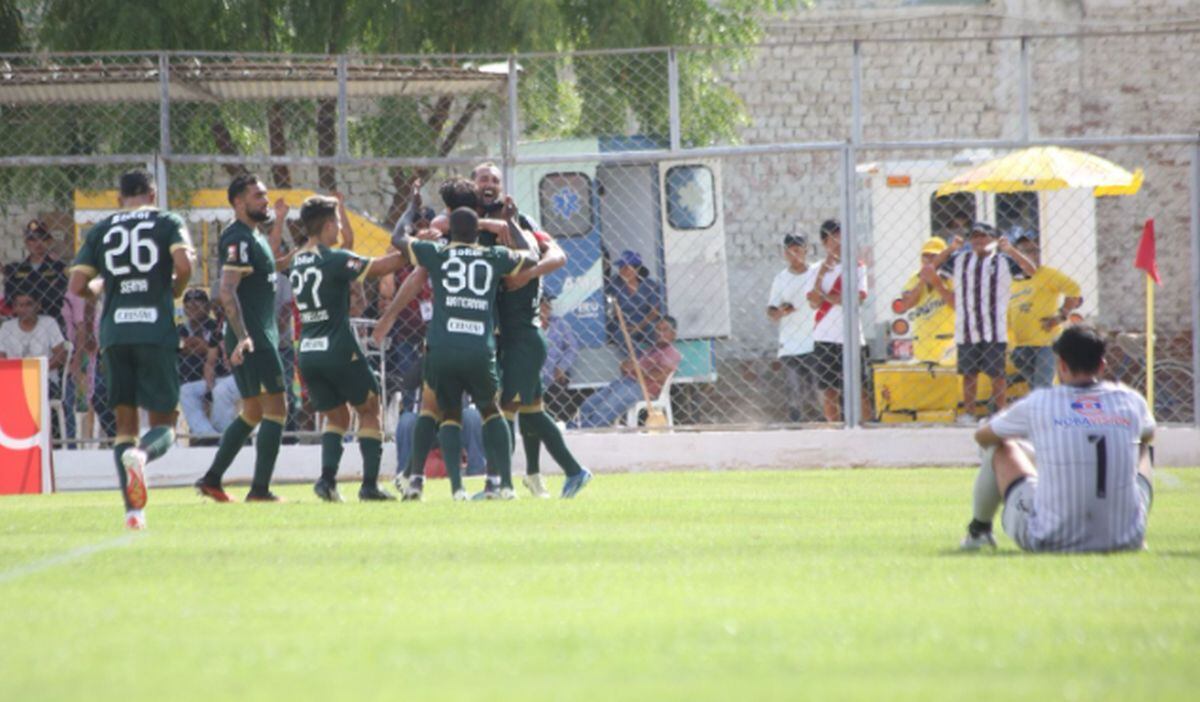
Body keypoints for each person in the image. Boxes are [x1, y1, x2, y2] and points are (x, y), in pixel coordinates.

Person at [66, 168, 194, 530]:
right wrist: (175, 287)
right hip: (154, 331)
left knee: (125, 426)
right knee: (165, 422)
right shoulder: (167, 221)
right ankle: (142, 456)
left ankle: (133, 513)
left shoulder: (102, 229)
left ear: (119, 198)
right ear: (153, 195)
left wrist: (103, 284)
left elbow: (77, 285)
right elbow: (184, 265)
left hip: (115, 335)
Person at [959, 324, 1155, 552]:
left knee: (1000, 446)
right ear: (1102, 365)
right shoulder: (1131, 400)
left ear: (1061, 365)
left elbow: (983, 437)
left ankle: (979, 532)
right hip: (1126, 540)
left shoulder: (1040, 402)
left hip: (1050, 538)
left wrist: (1037, 456)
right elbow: (1149, 434)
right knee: (1142, 446)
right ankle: (1130, 526)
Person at [393, 207, 534, 500]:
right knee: (491, 412)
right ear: (477, 231)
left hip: (442, 348)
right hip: (479, 348)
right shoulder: (493, 255)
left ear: (450, 231)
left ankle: (442, 486)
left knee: (446, 413)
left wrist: (410, 210)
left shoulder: (437, 253)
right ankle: (501, 485)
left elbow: (398, 239)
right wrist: (511, 223)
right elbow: (531, 255)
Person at [285, 195, 409, 502]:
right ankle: (369, 486)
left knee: (337, 417)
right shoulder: (335, 259)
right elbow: (383, 266)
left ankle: (327, 481)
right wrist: (414, 247)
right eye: (338, 223)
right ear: (328, 225)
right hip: (338, 347)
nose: (340, 229)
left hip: (308, 351)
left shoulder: (297, 259)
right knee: (370, 407)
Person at [195, 174, 291, 503]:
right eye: (258, 196)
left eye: (265, 195)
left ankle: (211, 480)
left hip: (258, 334)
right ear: (238, 202)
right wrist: (243, 337)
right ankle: (260, 490)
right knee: (277, 409)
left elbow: (268, 262)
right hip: (254, 338)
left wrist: (282, 225)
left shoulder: (254, 235)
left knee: (252, 412)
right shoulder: (236, 238)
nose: (265, 200)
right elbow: (226, 290)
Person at [488, 205, 592, 500]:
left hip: (522, 343)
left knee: (507, 411)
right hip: (526, 341)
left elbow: (554, 254)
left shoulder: (518, 259)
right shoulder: (526, 256)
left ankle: (503, 485)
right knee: (531, 411)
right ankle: (540, 475)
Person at [935, 222, 1036, 421]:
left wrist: (1011, 250)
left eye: (983, 236)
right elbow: (932, 267)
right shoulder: (960, 259)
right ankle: (969, 413)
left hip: (995, 328)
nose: (979, 240)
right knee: (969, 374)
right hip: (967, 327)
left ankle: (1000, 412)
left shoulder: (1004, 261)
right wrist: (951, 248)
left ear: (993, 239)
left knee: (997, 374)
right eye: (975, 237)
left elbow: (1032, 271)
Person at [806, 219, 872, 423]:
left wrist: (826, 297)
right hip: (824, 336)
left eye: (842, 237)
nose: (839, 242)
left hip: (851, 336)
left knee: (859, 388)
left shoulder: (857, 267)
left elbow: (857, 298)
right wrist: (823, 273)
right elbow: (813, 302)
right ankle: (833, 429)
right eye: (834, 238)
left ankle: (866, 427)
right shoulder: (815, 269)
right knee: (829, 391)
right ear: (825, 242)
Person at [571, 316, 681, 429]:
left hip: (642, 388)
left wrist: (637, 369)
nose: (660, 333)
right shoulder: (651, 350)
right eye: (658, 330)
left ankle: (588, 430)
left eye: (665, 330)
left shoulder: (671, 353)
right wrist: (627, 366)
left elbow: (659, 376)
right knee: (589, 403)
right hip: (624, 382)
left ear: (673, 334)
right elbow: (629, 368)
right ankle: (573, 427)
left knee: (605, 408)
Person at [1007, 234, 1083, 389]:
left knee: (1042, 385)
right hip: (1021, 345)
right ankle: (1050, 401)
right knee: (1035, 385)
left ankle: (1048, 401)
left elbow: (1074, 290)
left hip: (1046, 342)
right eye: (1026, 251)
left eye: (1035, 251)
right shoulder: (1012, 280)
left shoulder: (1047, 274)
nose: (1032, 255)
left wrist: (1061, 315)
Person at [0, 292, 68, 439]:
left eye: (29, 304)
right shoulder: (7, 328)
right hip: (14, 380)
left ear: (38, 306)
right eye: (20, 305)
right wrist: (20, 373)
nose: (24, 309)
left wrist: (37, 371)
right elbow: (2, 358)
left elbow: (60, 355)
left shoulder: (48, 324)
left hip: (45, 380)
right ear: (14, 308)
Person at [767, 232, 818, 422]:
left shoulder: (815, 274)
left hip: (815, 342)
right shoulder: (781, 279)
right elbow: (771, 312)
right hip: (790, 344)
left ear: (806, 250)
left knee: (817, 392)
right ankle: (796, 425)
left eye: (797, 250)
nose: (794, 255)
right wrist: (781, 311)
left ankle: (822, 424)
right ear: (784, 253)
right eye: (789, 251)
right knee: (793, 392)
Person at [177, 288, 234, 441]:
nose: (192, 307)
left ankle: (225, 435)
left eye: (198, 303)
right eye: (188, 304)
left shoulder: (215, 327)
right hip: (191, 379)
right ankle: (209, 435)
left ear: (208, 308)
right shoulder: (180, 328)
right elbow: (178, 347)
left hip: (219, 378)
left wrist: (198, 346)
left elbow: (207, 350)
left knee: (221, 392)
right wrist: (199, 346)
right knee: (185, 392)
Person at [896, 238, 956, 366]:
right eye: (925, 256)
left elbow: (957, 304)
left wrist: (937, 283)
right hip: (922, 345)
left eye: (934, 256)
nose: (929, 260)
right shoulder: (915, 277)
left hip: (947, 345)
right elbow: (906, 304)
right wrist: (922, 280)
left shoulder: (951, 277)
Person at [5, 219, 67, 330]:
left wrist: (25, 293)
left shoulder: (59, 268)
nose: (38, 243)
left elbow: (56, 296)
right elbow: (9, 297)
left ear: (49, 241)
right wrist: (42, 292)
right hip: (22, 325)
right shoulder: (16, 269)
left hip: (52, 323)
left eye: (43, 239)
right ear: (26, 243)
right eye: (33, 239)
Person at [608, 250, 664, 349]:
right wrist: (624, 325)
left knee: (655, 331)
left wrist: (638, 327)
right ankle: (638, 357)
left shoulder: (649, 285)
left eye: (626, 268)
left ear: (637, 269)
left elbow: (654, 312)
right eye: (620, 267)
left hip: (645, 323)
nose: (622, 271)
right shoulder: (614, 284)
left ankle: (657, 356)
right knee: (620, 334)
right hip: (623, 324)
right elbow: (611, 310)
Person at [540, 292, 578, 419]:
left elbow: (572, 347)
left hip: (555, 372)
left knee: (559, 395)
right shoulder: (526, 325)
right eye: (542, 305)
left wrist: (562, 366)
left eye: (548, 305)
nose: (546, 308)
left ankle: (563, 422)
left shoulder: (559, 323)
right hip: (535, 374)